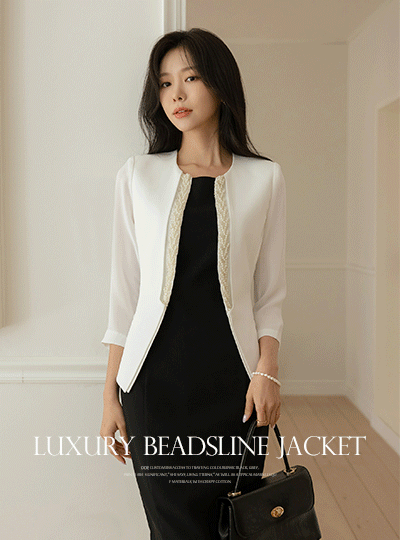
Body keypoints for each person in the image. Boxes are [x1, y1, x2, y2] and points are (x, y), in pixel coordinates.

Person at [100, 27, 287, 540]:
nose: (176, 94)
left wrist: (267, 372)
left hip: (236, 388)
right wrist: (109, 396)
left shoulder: (265, 178)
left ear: (221, 85)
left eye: (190, 78)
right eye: (165, 83)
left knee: (236, 526)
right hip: (154, 388)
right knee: (172, 530)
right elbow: (124, 297)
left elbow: (270, 294)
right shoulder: (136, 176)